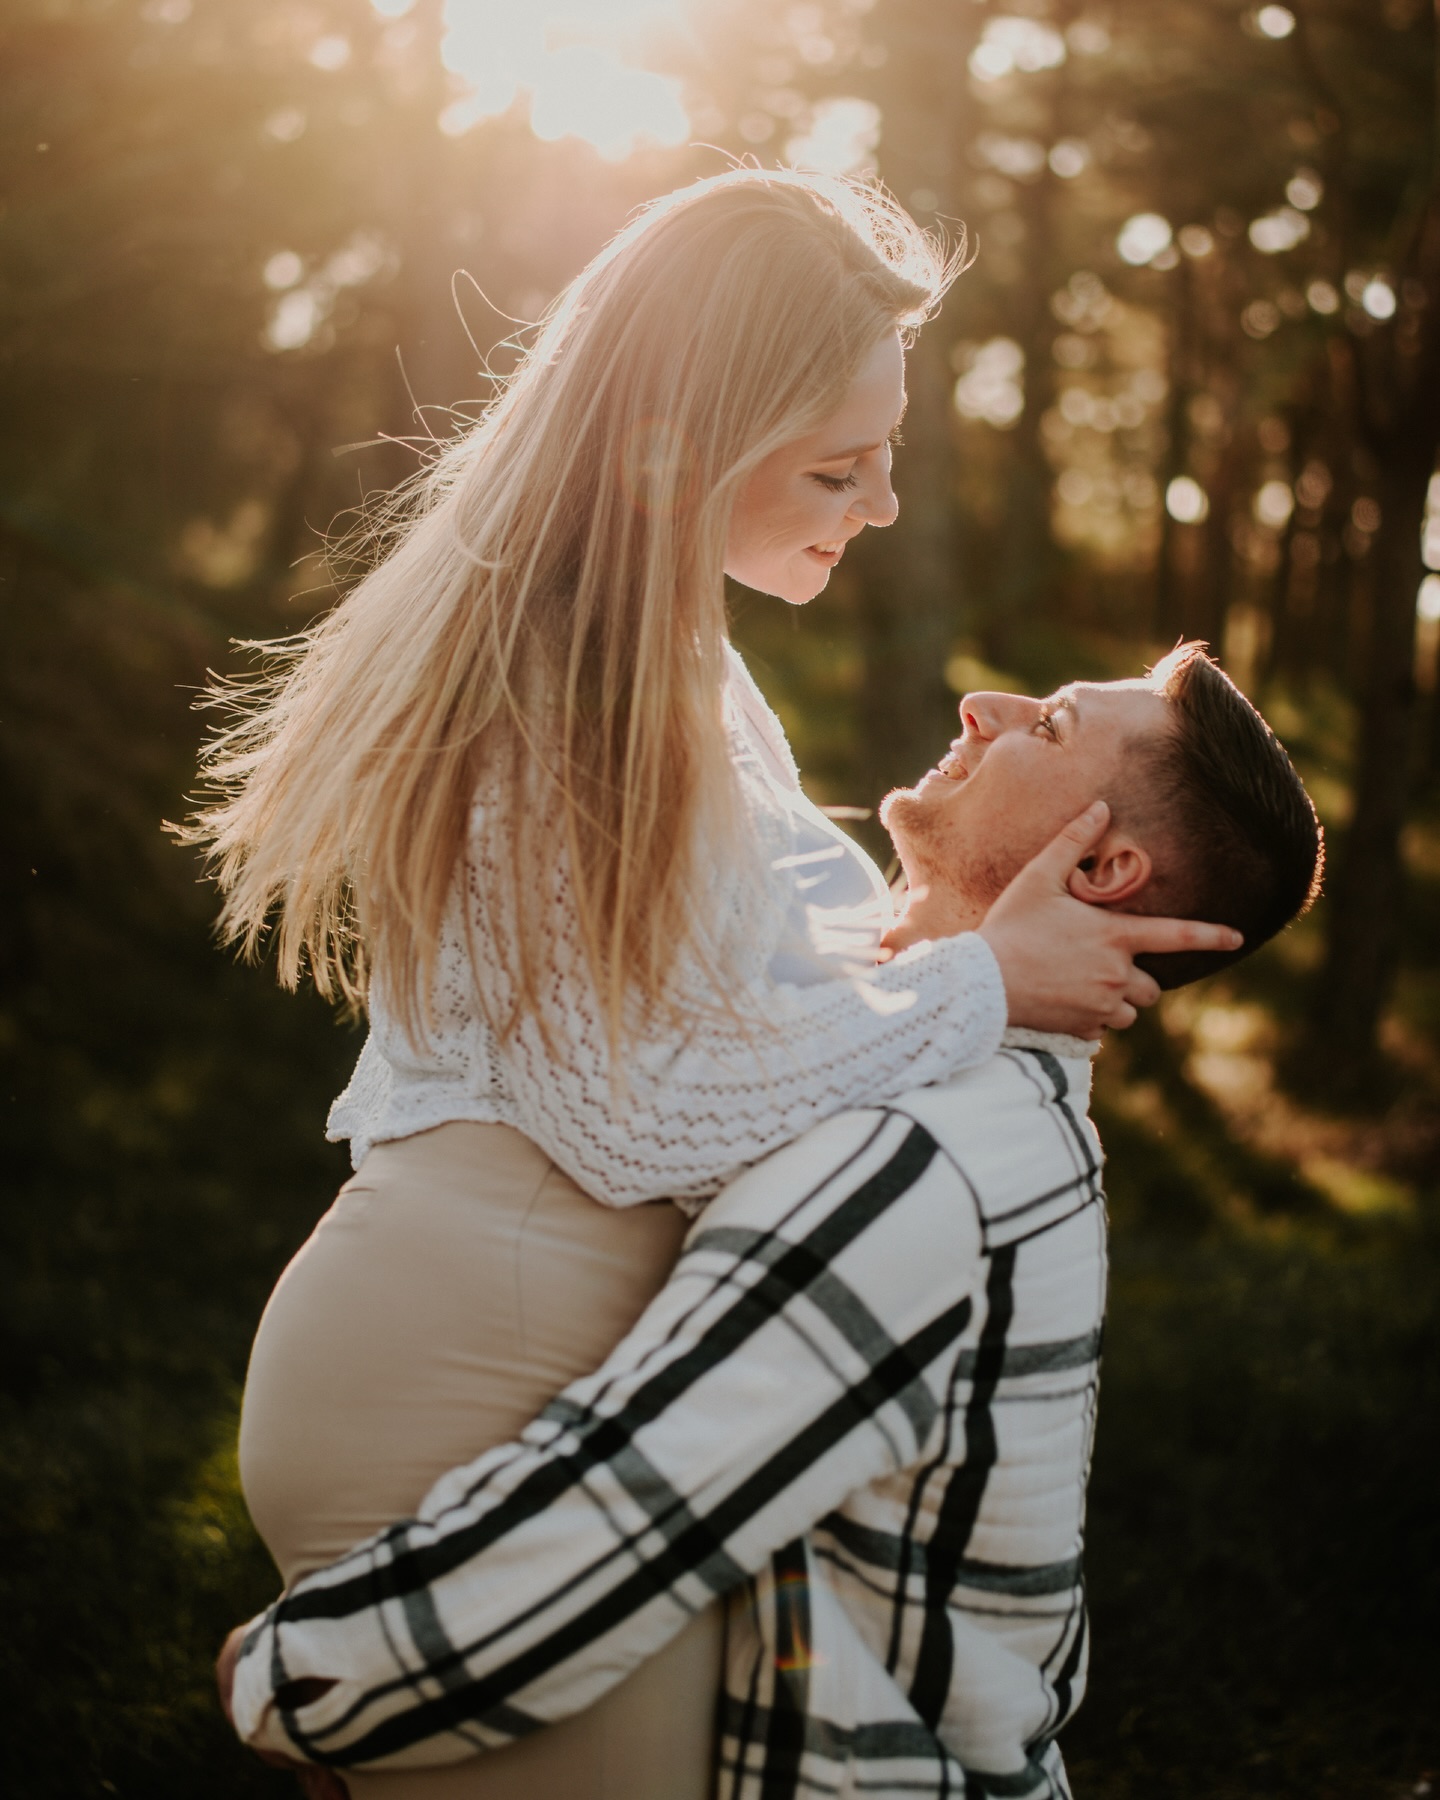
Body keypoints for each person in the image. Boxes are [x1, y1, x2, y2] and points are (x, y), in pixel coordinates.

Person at [188, 168, 1238, 1798]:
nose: (879, 502)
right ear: (691, 441)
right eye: (840, 464)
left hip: (501, 1341)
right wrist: (983, 988)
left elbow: (701, 1025)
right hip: (471, 1357)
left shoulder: (661, 661)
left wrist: (959, 958)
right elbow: (632, 1115)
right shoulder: (580, 678)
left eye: (887, 455)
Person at [222, 646, 1323, 1799]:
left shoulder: (928, 1150)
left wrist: (301, 1682)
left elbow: (645, 1507)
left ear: (1101, 866)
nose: (983, 706)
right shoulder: (917, 1068)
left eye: (1046, 725)